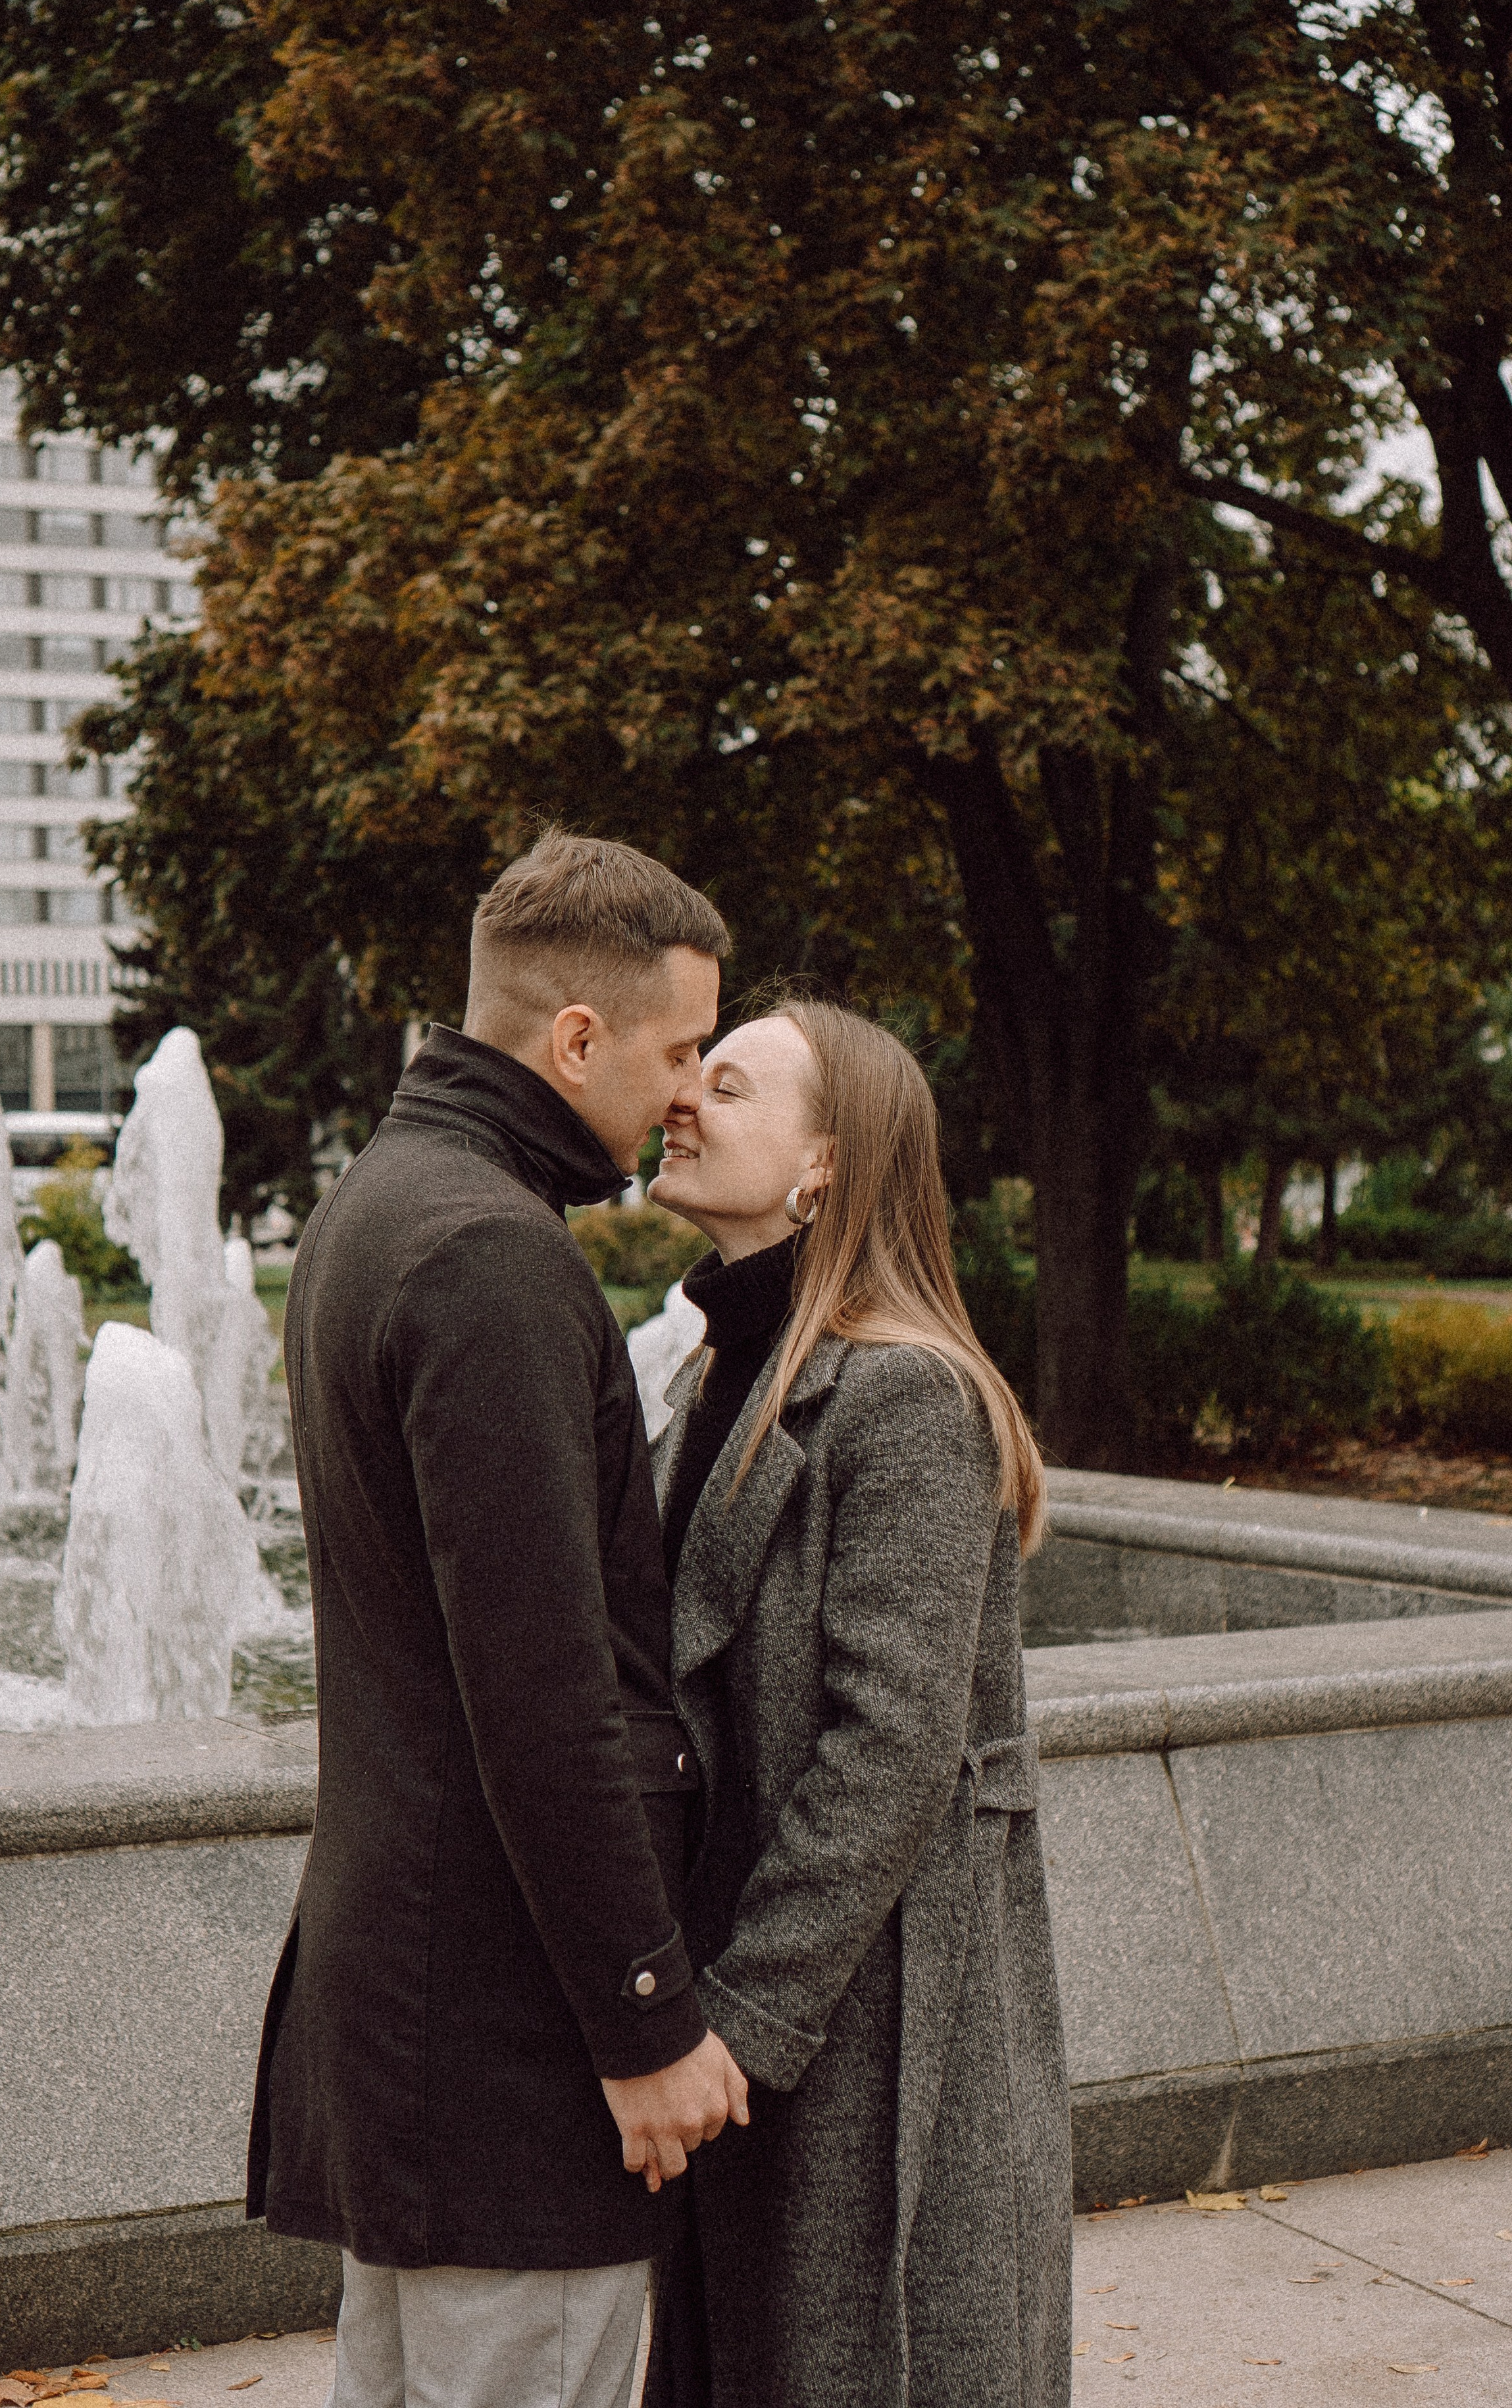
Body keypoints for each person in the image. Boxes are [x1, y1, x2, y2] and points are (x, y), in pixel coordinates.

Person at [247, 830, 751, 2408]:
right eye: (679, 1052)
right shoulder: (492, 1257)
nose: (691, 1093)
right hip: (504, 2038)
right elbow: (547, 1699)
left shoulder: (376, 1210)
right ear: (574, 1037)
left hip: (413, 2004)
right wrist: (647, 2020)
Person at [643, 997, 1072, 2408]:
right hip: (746, 1987)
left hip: (867, 2012)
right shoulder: (720, 1372)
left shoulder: (900, 1397)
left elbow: (890, 1754)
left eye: (726, 1082)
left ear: (822, 1164)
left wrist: (736, 2033)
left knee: (867, 2359)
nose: (681, 1101)